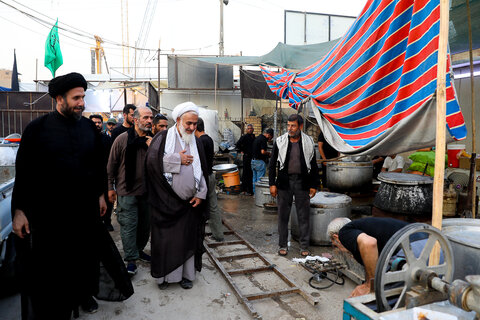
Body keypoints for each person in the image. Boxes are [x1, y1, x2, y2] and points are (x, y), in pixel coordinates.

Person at [12, 72, 107, 318]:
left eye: (83, 97)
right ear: (59, 99)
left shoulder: (88, 127)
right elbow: (24, 173)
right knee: (53, 273)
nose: (81, 103)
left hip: (83, 214)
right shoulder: (37, 129)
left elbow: (97, 165)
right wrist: (19, 211)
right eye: (76, 98)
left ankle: (82, 297)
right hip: (50, 218)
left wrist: (99, 195)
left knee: (83, 263)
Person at [145, 101, 209, 290]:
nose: (191, 127)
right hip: (165, 203)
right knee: (167, 242)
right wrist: (177, 159)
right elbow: (151, 163)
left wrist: (201, 193)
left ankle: (187, 277)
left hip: (189, 204)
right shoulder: (163, 138)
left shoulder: (196, 141)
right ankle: (164, 277)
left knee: (187, 240)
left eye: (195, 124)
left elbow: (202, 171)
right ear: (179, 120)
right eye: (188, 123)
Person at [107, 106, 153, 275]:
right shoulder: (122, 139)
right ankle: (131, 259)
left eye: (151, 118)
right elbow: (111, 165)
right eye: (146, 118)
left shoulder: (152, 140)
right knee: (128, 226)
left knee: (145, 225)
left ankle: (139, 250)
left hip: (147, 191)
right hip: (126, 191)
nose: (149, 121)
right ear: (135, 120)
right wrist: (109, 188)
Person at [269, 114, 319, 257]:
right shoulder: (280, 142)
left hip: (302, 183)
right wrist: (272, 184)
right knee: (283, 216)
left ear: (300, 126)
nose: (290, 128)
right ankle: (282, 245)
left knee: (304, 216)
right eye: (288, 125)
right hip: (284, 183)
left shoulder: (309, 142)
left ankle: (304, 246)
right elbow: (272, 165)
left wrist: (314, 185)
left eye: (293, 126)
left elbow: (313, 166)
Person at [327, 217, 409, 297]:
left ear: (336, 238)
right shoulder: (364, 228)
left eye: (336, 245)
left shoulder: (344, 232)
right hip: (417, 239)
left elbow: (370, 243)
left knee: (383, 296)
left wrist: (370, 285)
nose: (341, 250)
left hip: (410, 246)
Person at [195, 117, 224, 242]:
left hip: (203, 178)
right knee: (213, 206)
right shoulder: (209, 139)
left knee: (199, 207)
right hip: (210, 176)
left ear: (195, 126)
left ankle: (198, 235)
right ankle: (218, 235)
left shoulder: (199, 141)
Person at [90, 114, 115, 231]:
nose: (97, 124)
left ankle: (107, 221)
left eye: (99, 122)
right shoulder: (85, 139)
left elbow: (112, 158)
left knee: (108, 199)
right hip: (90, 176)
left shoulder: (107, 139)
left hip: (105, 175)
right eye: (94, 122)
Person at [251, 128, 273, 193]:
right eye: (271, 137)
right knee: (260, 180)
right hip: (259, 162)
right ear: (268, 135)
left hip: (253, 161)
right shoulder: (263, 139)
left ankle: (255, 194)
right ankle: (259, 196)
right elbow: (263, 152)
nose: (270, 139)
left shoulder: (258, 138)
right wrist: (269, 153)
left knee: (254, 179)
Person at [236, 124, 255, 195]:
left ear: (253, 129)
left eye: (251, 128)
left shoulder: (253, 137)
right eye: (248, 128)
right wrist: (241, 151)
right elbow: (237, 145)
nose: (250, 130)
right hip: (246, 157)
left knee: (251, 174)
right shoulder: (244, 137)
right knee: (246, 173)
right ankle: (244, 189)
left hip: (252, 158)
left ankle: (250, 190)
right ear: (247, 130)